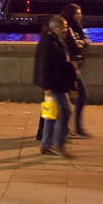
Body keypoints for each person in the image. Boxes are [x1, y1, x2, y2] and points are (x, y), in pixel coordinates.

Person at [32, 14, 76, 156]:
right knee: (59, 112)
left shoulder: (57, 41)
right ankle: (56, 143)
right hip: (53, 86)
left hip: (58, 84)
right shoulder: (49, 43)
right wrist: (47, 89)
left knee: (51, 114)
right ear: (55, 28)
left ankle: (48, 144)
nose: (65, 29)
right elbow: (44, 67)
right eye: (63, 27)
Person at [62, 3, 90, 137]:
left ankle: (67, 129)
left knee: (60, 101)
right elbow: (75, 47)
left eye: (80, 13)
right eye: (77, 13)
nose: (80, 16)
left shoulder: (76, 28)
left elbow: (83, 43)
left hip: (73, 66)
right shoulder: (67, 29)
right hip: (69, 68)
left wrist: (82, 43)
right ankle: (71, 128)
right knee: (81, 95)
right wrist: (82, 43)